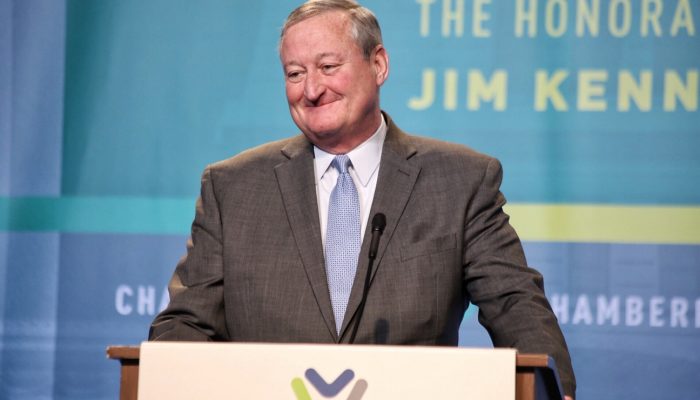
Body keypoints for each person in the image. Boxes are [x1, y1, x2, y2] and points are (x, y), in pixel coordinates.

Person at [149, 0, 576, 397]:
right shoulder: (233, 187)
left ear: (378, 64)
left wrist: (556, 391)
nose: (311, 89)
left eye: (328, 66)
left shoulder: (460, 181)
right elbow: (186, 323)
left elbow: (515, 304)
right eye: (295, 74)